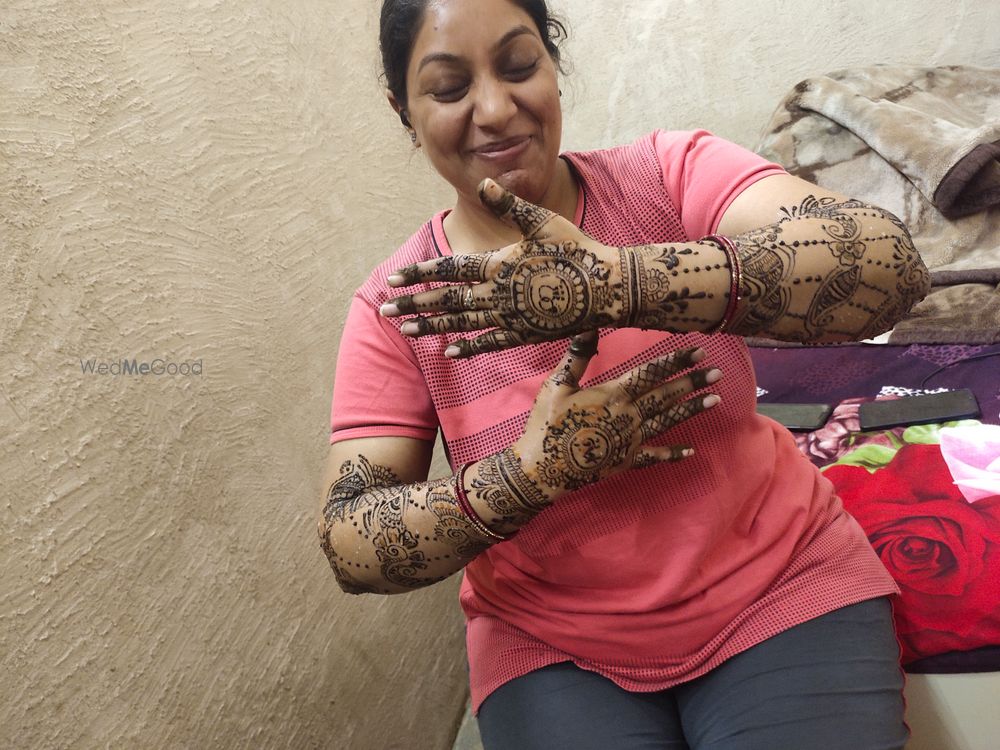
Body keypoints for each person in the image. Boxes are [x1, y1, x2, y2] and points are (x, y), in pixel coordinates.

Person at [318, 1, 931, 747]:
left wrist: (616, 284)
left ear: (553, 66)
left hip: (779, 585)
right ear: (403, 110)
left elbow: (886, 264)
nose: (494, 109)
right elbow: (351, 541)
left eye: (518, 67)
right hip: (553, 646)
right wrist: (528, 477)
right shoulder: (401, 306)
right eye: (448, 88)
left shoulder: (667, 176)